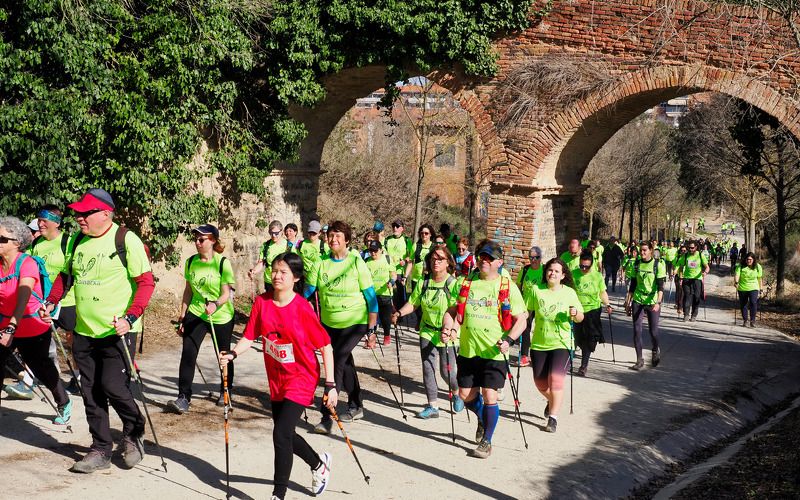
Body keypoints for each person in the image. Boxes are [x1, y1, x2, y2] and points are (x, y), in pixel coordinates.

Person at [43, 187, 154, 473]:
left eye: (86, 212)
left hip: (118, 330)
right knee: (90, 392)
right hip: (84, 330)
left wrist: (130, 317)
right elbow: (65, 276)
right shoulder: (78, 240)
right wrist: (51, 300)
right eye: (78, 212)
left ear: (105, 214)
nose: (79, 216)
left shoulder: (125, 239)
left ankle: (133, 432)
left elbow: (145, 282)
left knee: (114, 387)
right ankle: (101, 448)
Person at [220, 252, 336, 500]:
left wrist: (331, 384)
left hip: (302, 377)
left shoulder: (302, 308)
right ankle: (318, 465)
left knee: (280, 434)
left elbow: (325, 345)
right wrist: (232, 354)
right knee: (286, 433)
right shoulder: (262, 303)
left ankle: (278, 494)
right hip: (277, 378)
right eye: (274, 270)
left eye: (283, 272)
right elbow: (250, 336)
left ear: (295, 278)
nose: (277, 275)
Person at [441, 240, 528, 458]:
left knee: (490, 395)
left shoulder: (507, 287)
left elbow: (522, 320)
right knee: (466, 395)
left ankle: (487, 441)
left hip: (495, 352)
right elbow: (452, 311)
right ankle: (482, 418)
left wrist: (509, 339)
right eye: (481, 256)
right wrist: (448, 327)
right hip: (469, 350)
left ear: (499, 262)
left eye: (489, 258)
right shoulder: (466, 282)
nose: (483, 261)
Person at [305, 221, 378, 432]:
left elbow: (371, 299)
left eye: (339, 236)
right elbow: (307, 293)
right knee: (345, 363)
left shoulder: (356, 263)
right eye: (331, 236)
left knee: (337, 358)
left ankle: (327, 415)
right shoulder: (320, 263)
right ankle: (356, 405)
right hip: (329, 323)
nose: (334, 240)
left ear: (347, 240)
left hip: (355, 322)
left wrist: (372, 331)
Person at [0, 216, 70, 425]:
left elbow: (22, 298)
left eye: (1, 238)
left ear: (17, 243)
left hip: (30, 325)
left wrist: (11, 328)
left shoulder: (27, 263)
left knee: (41, 368)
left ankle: (63, 401)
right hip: (5, 324)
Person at [168, 224, 236, 413]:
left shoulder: (223, 263)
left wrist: (215, 304)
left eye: (201, 239)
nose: (197, 243)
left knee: (223, 356)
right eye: (195, 239)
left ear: (213, 240)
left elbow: (225, 293)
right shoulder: (191, 262)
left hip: (221, 315)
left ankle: (226, 391)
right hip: (197, 312)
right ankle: (183, 397)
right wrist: (182, 315)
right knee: (188, 354)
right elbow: (188, 290)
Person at [392, 245, 463, 419]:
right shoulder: (424, 282)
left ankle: (456, 391)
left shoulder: (452, 284)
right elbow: (414, 303)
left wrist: (453, 329)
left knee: (446, 372)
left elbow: (458, 310)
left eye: (440, 259)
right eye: (433, 259)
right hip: (427, 330)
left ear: (448, 263)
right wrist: (399, 312)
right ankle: (433, 406)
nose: (435, 262)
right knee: (427, 368)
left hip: (447, 333)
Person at [525, 257, 583, 433]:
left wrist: (575, 313)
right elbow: (527, 312)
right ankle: (552, 401)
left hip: (562, 342)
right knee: (540, 383)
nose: (552, 273)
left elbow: (580, 317)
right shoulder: (536, 290)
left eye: (557, 271)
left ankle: (553, 418)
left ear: (563, 275)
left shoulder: (569, 293)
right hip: (540, 343)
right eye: (550, 270)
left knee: (556, 381)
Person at [624, 241, 666, 370]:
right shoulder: (636, 264)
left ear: (651, 251)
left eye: (645, 250)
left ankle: (655, 350)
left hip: (653, 301)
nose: (642, 253)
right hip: (638, 299)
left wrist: (658, 302)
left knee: (653, 331)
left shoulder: (658, 265)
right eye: (641, 250)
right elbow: (633, 285)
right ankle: (639, 360)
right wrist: (628, 301)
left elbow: (660, 286)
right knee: (637, 330)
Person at [572, 252, 612, 376]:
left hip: (593, 310)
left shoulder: (597, 276)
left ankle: (584, 365)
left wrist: (608, 304)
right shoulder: (573, 274)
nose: (583, 269)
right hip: (578, 310)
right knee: (578, 337)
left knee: (589, 338)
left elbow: (602, 292)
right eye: (581, 266)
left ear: (591, 265)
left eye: (586, 267)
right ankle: (582, 348)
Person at [515, 246, 544, 368]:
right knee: (525, 330)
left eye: (536, 257)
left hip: (541, 305)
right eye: (531, 257)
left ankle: (540, 355)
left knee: (540, 329)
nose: (533, 260)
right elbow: (518, 286)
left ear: (540, 257)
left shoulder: (545, 270)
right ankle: (524, 356)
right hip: (526, 305)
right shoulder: (525, 270)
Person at [364, 240, 396, 347]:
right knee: (371, 318)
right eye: (371, 251)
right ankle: (371, 338)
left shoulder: (387, 259)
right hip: (371, 293)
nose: (373, 253)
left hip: (384, 292)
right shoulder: (366, 261)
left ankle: (387, 335)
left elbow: (393, 274)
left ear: (381, 250)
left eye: (375, 251)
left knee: (385, 317)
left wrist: (391, 282)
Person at [248, 220, 289, 293]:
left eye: (276, 233)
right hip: (269, 281)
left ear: (281, 232)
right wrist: (253, 271)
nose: (273, 236)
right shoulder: (266, 245)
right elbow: (262, 263)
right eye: (271, 233)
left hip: (283, 280)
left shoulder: (288, 245)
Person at [384, 220, 413, 313]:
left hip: (401, 272)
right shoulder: (387, 239)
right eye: (393, 226)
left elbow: (410, 256)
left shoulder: (406, 240)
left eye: (397, 226)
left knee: (401, 294)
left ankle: (400, 314)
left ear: (402, 228)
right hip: (389, 271)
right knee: (389, 292)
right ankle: (390, 312)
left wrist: (405, 261)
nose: (395, 228)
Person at [677, 240, 709, 322]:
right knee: (687, 296)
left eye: (692, 248)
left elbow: (707, 267)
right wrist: (681, 278)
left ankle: (694, 315)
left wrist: (705, 273)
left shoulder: (700, 255)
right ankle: (686, 314)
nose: (690, 249)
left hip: (697, 279)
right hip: (687, 278)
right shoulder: (686, 255)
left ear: (696, 247)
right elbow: (681, 267)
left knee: (696, 297)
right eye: (689, 248)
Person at [734, 252, 762, 328]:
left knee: (753, 302)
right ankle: (745, 320)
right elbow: (737, 274)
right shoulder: (740, 266)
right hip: (742, 288)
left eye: (750, 259)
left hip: (754, 287)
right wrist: (736, 282)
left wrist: (761, 288)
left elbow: (759, 278)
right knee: (743, 304)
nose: (748, 261)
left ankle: (752, 321)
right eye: (747, 259)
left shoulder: (757, 266)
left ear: (753, 260)